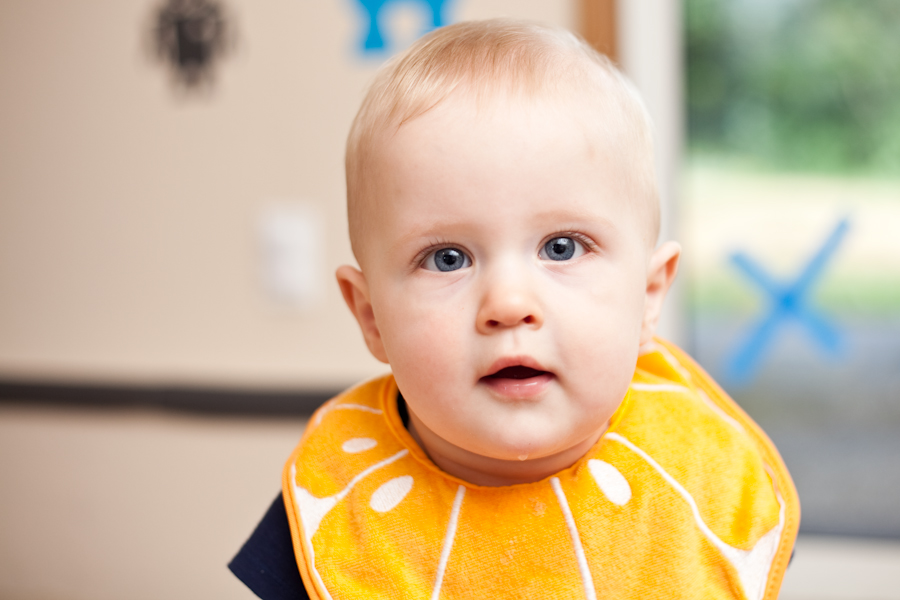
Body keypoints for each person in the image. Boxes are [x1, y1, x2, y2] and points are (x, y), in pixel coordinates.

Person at [230, 19, 799, 600]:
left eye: (562, 247)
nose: (508, 304)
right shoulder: (341, 506)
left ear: (649, 295)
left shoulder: (700, 482)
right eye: (447, 258)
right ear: (371, 317)